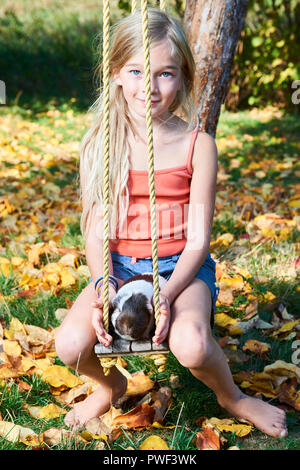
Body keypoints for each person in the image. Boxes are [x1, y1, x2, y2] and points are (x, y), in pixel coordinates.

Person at [55, 7, 288, 438]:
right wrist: (104, 281)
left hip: (181, 264)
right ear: (117, 74)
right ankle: (110, 386)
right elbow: (95, 230)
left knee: (192, 345)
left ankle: (232, 397)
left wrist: (165, 291)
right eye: (138, 71)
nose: (151, 86)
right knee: (69, 345)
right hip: (119, 266)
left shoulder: (198, 146)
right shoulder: (101, 146)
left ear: (183, 78)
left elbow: (198, 239)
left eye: (165, 73)